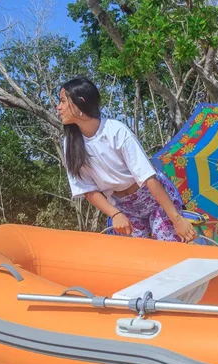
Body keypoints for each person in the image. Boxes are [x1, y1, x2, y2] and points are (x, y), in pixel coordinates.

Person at [57, 77, 197, 242]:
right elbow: (87, 189)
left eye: (63, 101)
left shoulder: (115, 131)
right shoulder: (70, 144)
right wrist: (115, 214)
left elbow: (147, 177)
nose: (58, 108)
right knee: (135, 256)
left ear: (80, 102)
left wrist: (177, 219)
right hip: (123, 207)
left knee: (167, 244)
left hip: (154, 199)